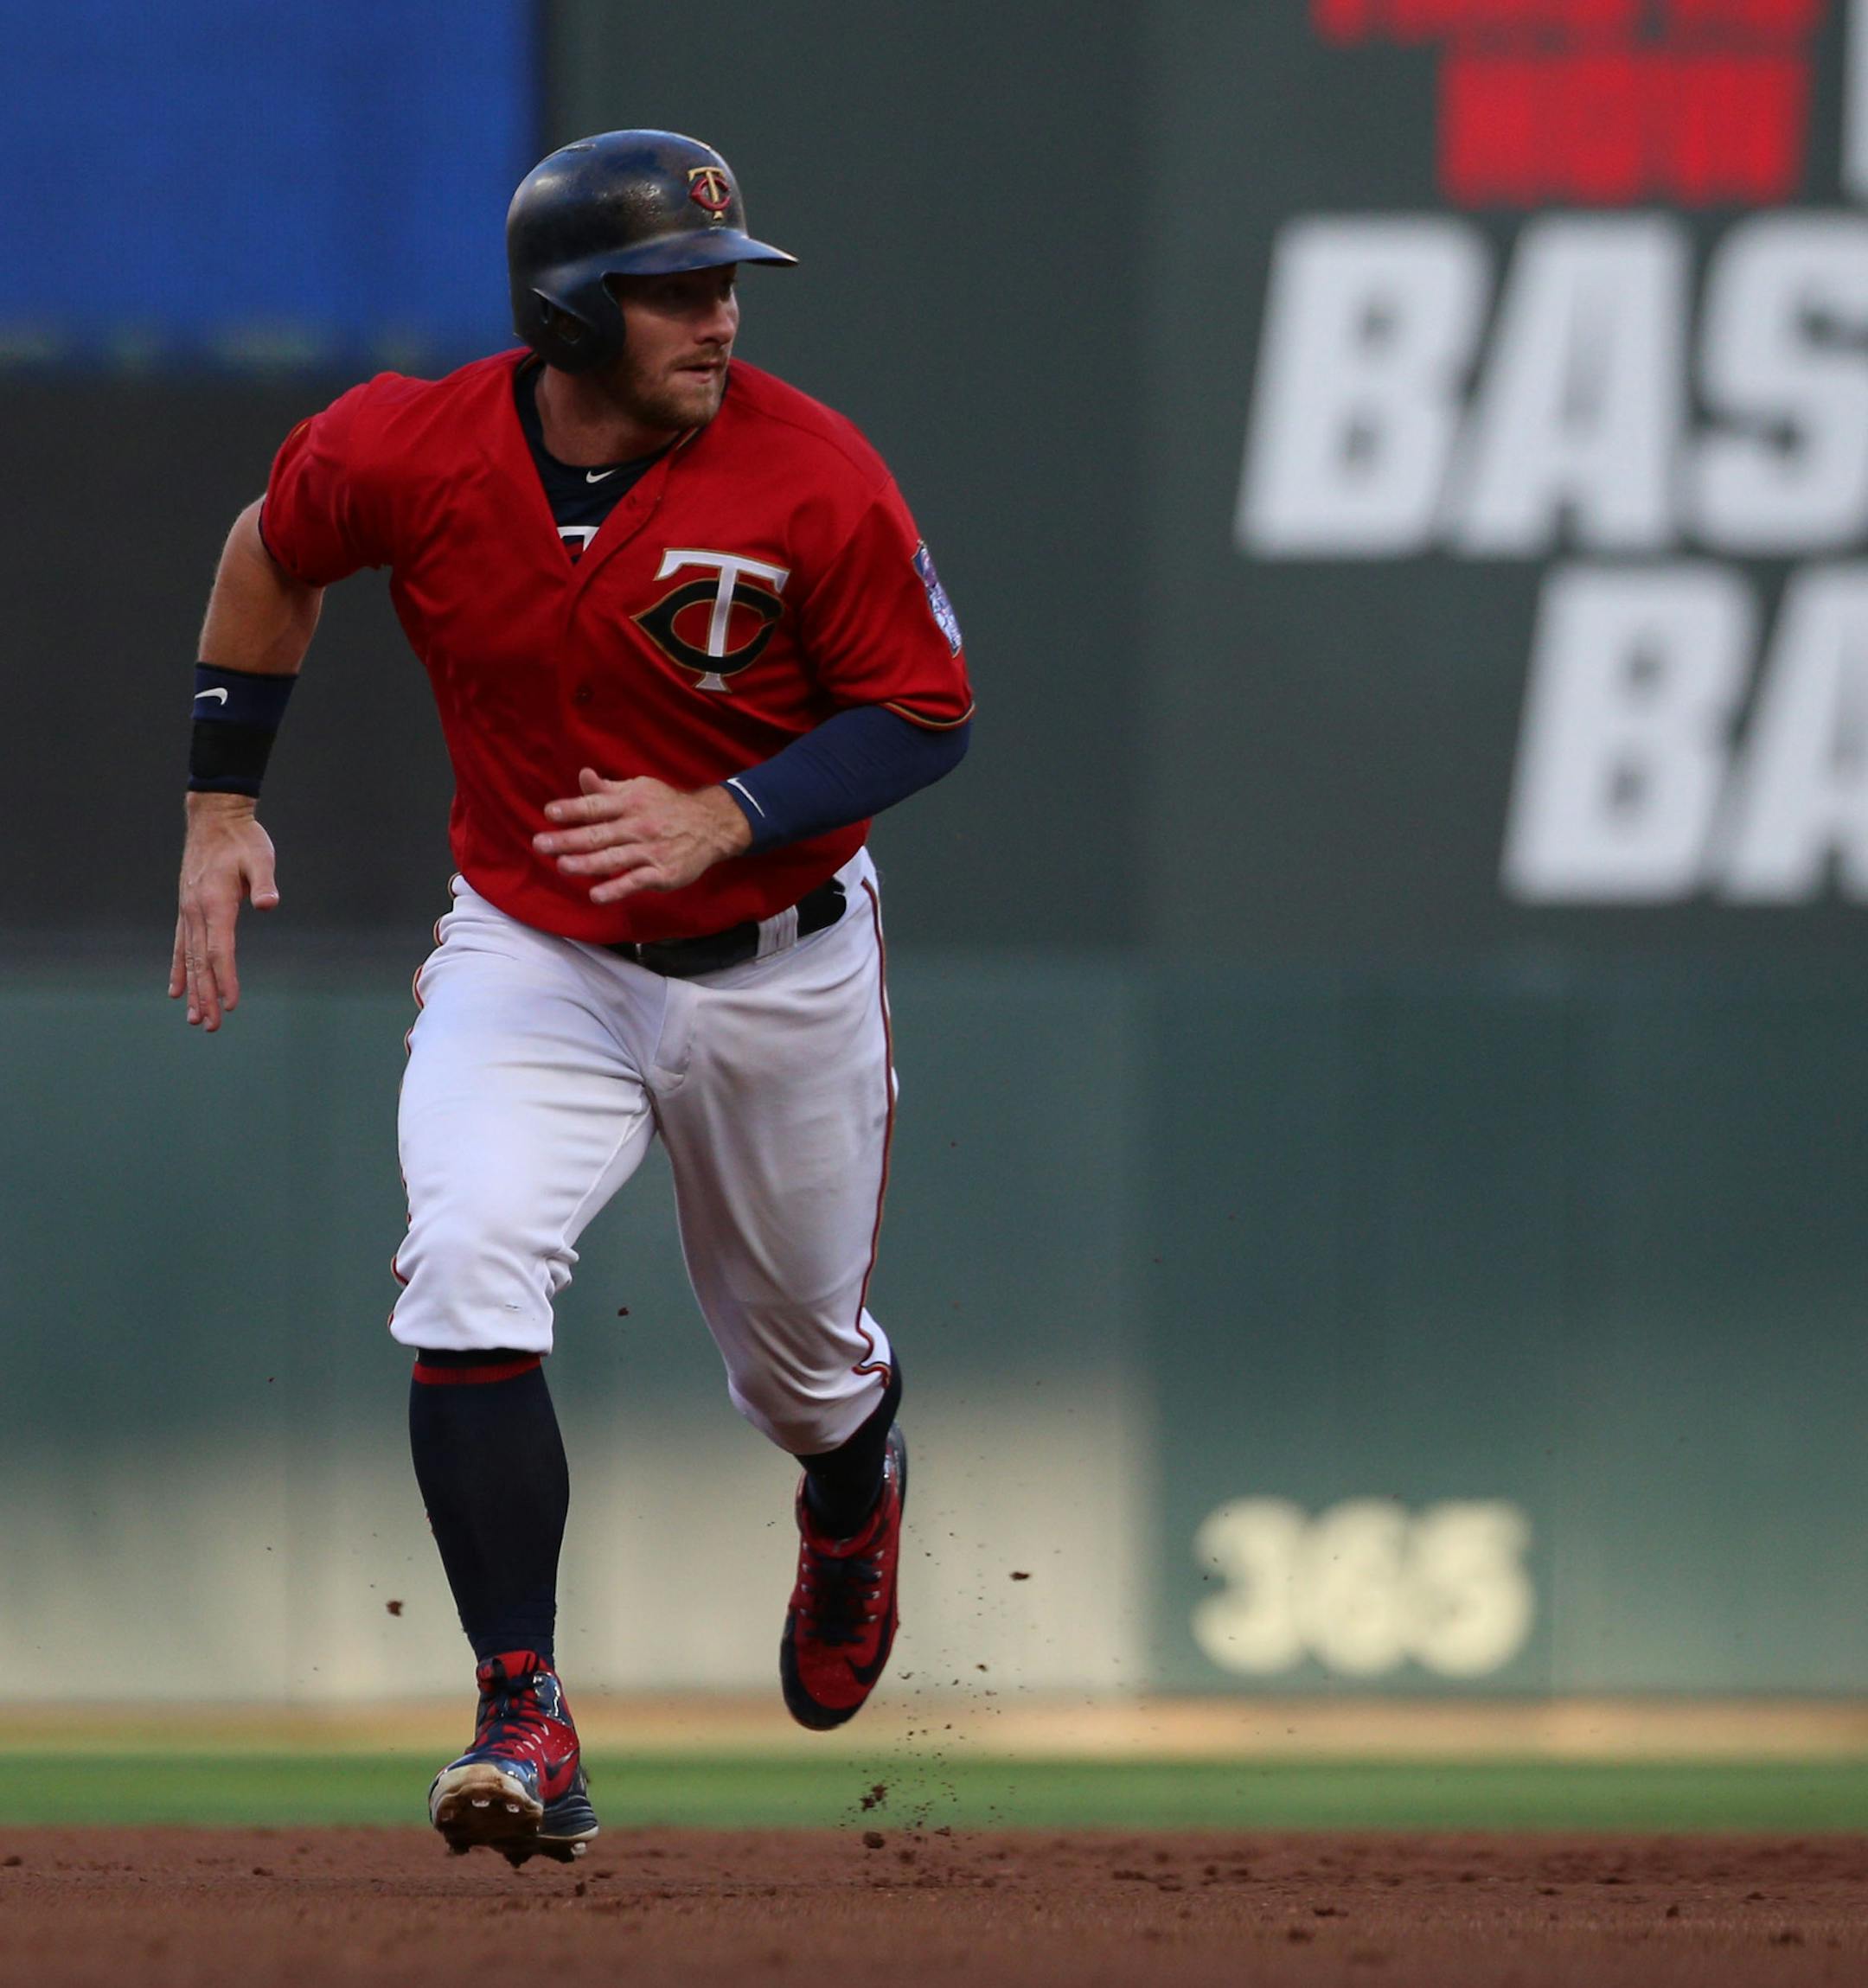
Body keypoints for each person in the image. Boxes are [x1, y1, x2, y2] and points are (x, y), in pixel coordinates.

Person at [170, 131, 973, 1866]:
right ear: (565, 306)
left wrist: (731, 809)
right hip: (539, 952)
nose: (715, 317)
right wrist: (220, 803)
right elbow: (270, 546)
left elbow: (926, 710)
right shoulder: (411, 443)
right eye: (672, 289)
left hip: (781, 963)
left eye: (724, 283)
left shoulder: (815, 475)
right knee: (466, 1261)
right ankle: (521, 1705)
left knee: (804, 1373)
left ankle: (851, 1482)